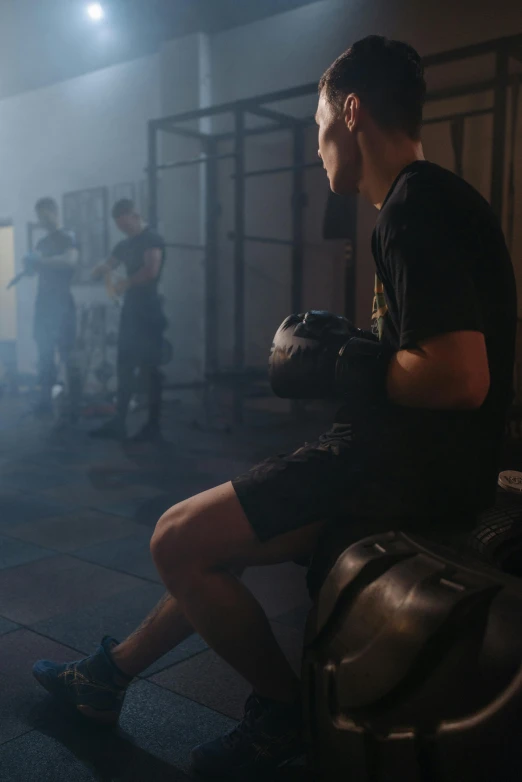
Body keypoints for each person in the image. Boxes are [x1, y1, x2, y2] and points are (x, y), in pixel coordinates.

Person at [32, 36, 516, 776]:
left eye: (320, 123)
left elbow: (459, 377)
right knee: (205, 547)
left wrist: (342, 361)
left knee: (172, 539)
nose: (317, 144)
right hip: (417, 462)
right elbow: (430, 361)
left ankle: (285, 711)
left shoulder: (415, 205)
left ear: (351, 113)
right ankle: (109, 677)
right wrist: (362, 351)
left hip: (402, 473)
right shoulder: (427, 201)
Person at [89, 199, 167, 442]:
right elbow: (109, 264)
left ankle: (153, 426)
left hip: (149, 312)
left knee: (149, 367)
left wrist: (126, 283)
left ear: (135, 215)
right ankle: (119, 422)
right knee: (124, 365)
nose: (124, 230)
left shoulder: (152, 239)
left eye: (126, 225)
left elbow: (151, 270)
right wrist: (99, 270)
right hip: (131, 311)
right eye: (119, 227)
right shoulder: (124, 244)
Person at [31, 197, 81, 423]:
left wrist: (42, 261)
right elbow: (36, 269)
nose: (41, 221)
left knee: (67, 353)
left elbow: (70, 261)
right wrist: (30, 264)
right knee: (44, 354)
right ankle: (44, 401)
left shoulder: (68, 237)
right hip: (43, 303)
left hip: (61, 302)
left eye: (44, 215)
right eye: (39, 217)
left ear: (54, 212)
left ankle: (73, 403)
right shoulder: (41, 242)